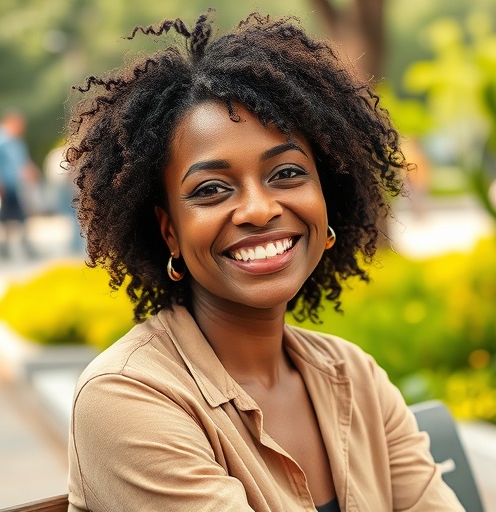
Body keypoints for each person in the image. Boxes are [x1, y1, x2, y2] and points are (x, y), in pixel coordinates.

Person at [64, 11, 464, 512]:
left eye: (287, 173)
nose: (259, 209)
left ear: (328, 196)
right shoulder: (127, 397)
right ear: (169, 231)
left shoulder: (354, 377)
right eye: (211, 189)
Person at [0, 109, 39, 260]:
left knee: (15, 218)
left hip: (14, 186)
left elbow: (22, 162)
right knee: (8, 219)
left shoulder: (16, 141)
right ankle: (7, 248)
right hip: (3, 186)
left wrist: (32, 172)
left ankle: (13, 248)